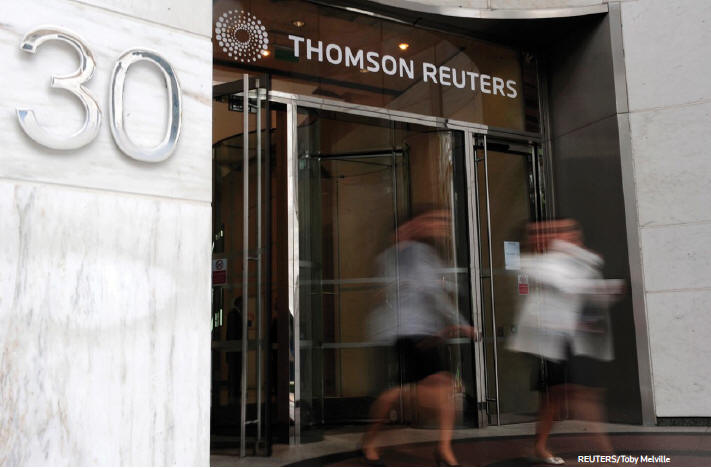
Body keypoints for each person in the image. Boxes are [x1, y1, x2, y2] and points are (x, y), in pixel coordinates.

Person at [361, 210, 479, 467]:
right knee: (406, 391)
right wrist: (460, 322)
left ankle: (443, 448)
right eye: (435, 221)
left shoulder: (422, 253)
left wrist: (454, 316)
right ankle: (371, 440)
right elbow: (431, 291)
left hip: (424, 331)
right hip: (404, 331)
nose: (440, 226)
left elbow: (439, 289)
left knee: (442, 386)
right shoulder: (398, 256)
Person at [508, 219, 623, 465]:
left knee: (558, 396)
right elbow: (566, 284)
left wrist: (607, 290)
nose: (564, 237)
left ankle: (540, 446)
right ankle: (607, 453)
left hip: (571, 339)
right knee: (578, 394)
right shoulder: (531, 263)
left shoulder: (571, 262)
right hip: (548, 340)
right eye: (560, 232)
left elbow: (589, 293)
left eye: (569, 231)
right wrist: (582, 256)